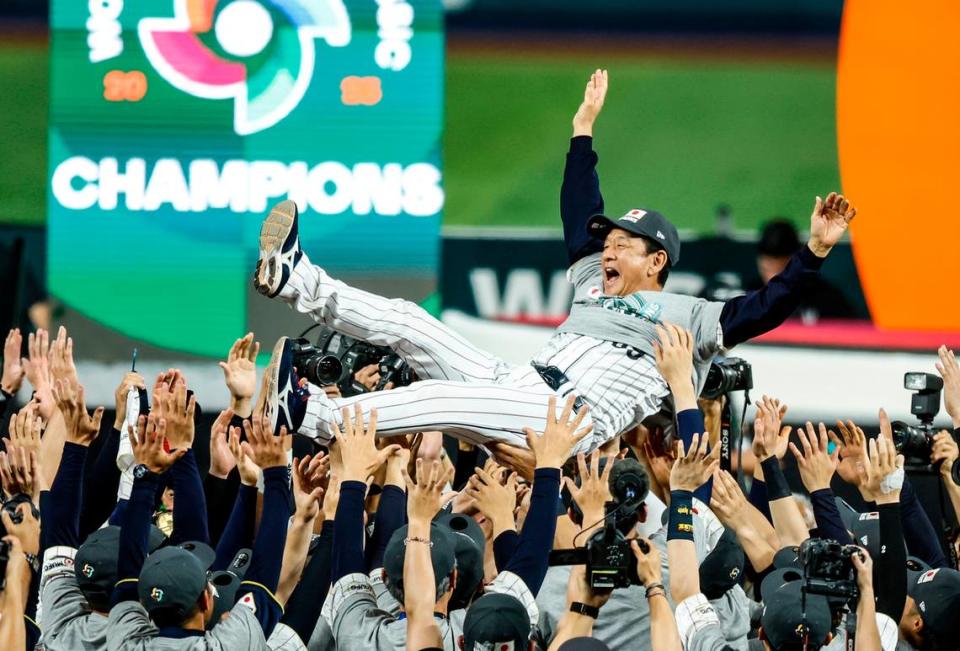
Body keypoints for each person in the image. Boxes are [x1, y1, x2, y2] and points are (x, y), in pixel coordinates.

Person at [251, 69, 857, 456]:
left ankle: (313, 414)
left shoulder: (691, 319)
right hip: (517, 383)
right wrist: (581, 133)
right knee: (412, 322)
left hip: (564, 422)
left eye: (624, 244)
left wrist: (818, 250)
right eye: (610, 240)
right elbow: (580, 212)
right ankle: (296, 278)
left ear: (658, 260)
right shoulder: (599, 283)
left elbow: (769, 305)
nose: (608, 249)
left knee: (437, 401)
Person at [751, 219, 855, 321]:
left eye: (781, 271)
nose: (772, 278)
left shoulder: (826, 299)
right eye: (768, 269)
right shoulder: (750, 297)